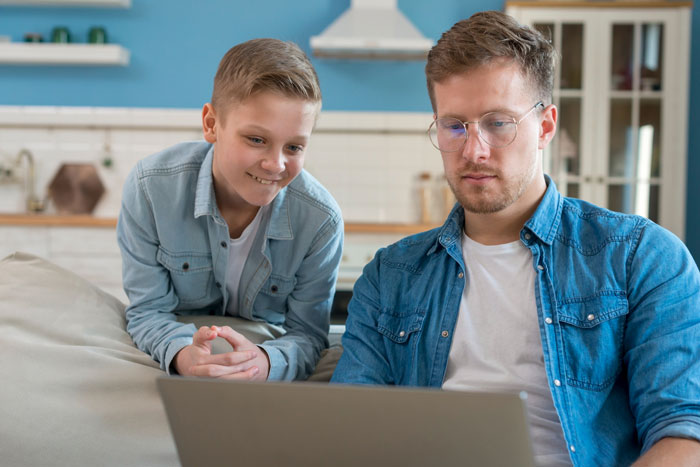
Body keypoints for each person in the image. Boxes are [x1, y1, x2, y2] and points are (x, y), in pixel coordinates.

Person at [331, 11, 700, 466]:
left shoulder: (641, 258)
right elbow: (353, 429)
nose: (473, 150)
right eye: (454, 125)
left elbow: (684, 434)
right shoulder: (390, 275)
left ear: (544, 126)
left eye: (497, 123)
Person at [117, 38, 343, 382]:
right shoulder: (150, 188)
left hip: (262, 361)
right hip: (181, 347)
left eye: (294, 146)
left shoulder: (321, 220)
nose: (275, 164)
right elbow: (148, 312)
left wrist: (263, 364)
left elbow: (309, 334)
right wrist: (182, 357)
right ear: (211, 124)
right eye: (256, 139)